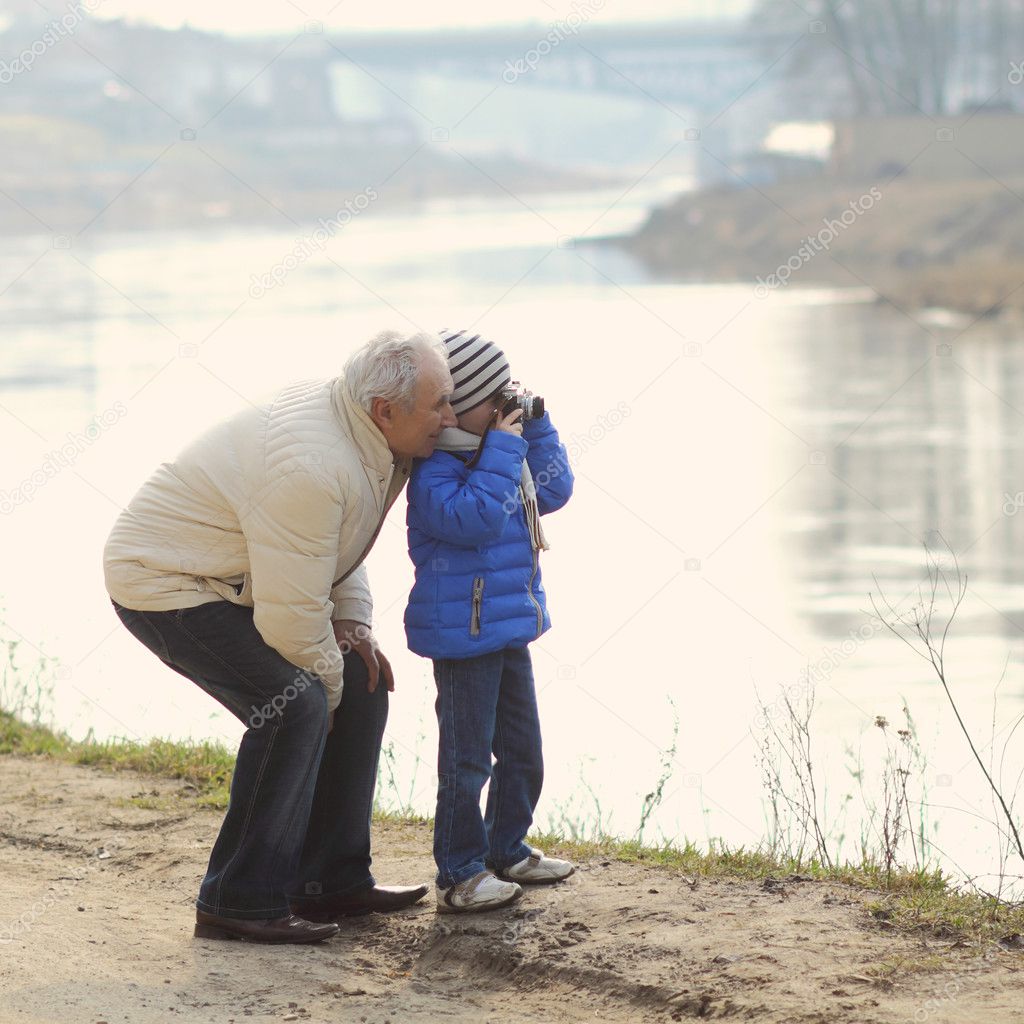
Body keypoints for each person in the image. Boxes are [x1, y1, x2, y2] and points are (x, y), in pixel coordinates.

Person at [103, 330, 458, 944]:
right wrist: (326, 693)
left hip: (236, 575)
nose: (449, 418)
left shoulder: (360, 434)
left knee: (361, 681)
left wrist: (354, 623)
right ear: (387, 411)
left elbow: (334, 543)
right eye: (440, 405)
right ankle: (236, 899)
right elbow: (291, 616)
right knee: (295, 706)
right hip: (163, 581)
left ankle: (330, 882)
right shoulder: (316, 463)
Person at [403, 329, 575, 914]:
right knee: (466, 760)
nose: (506, 405)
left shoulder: (499, 456)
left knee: (523, 750)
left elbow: (555, 491)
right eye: (494, 397)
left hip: (505, 629)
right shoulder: (435, 468)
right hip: (462, 637)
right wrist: (503, 448)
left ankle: (507, 848)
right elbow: (471, 519)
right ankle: (460, 872)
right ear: (463, 403)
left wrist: (538, 427)